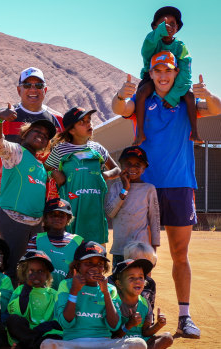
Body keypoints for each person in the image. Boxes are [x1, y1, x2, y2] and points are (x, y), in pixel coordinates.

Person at [112, 50, 221, 338]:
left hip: (180, 185)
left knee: (179, 254)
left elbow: (216, 108)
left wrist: (207, 94)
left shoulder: (187, 104)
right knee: (139, 256)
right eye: (157, 71)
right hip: (145, 187)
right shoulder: (141, 102)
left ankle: (184, 318)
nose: (162, 76)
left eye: (168, 71)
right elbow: (118, 108)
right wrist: (122, 95)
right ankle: (138, 317)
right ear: (150, 73)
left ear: (176, 74)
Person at [0, 67, 63, 237]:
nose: (33, 89)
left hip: (40, 204)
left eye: (38, 85)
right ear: (19, 90)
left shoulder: (58, 121)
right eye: (27, 85)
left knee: (37, 258)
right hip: (1, 203)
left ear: (45, 90)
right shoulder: (3, 116)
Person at [41, 241, 147, 349]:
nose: (94, 268)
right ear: (78, 265)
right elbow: (66, 323)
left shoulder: (110, 289)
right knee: (47, 344)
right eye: (88, 263)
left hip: (103, 343)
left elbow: (114, 326)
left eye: (100, 264)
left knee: (139, 344)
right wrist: (74, 291)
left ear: (104, 268)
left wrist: (105, 293)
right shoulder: (67, 285)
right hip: (74, 342)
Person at [0, 115, 57, 280]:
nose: (41, 136)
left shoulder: (41, 166)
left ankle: (26, 302)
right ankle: (8, 304)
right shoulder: (17, 152)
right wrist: (0, 121)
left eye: (46, 136)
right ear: (25, 133)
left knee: (31, 269)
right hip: (14, 220)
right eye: (37, 131)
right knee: (14, 268)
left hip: (35, 225)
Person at [45, 107, 120, 245]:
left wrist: (106, 175)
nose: (88, 124)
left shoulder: (97, 148)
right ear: (71, 130)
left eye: (89, 120)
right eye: (82, 122)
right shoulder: (61, 150)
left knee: (96, 255)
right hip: (70, 213)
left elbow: (116, 169)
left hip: (95, 213)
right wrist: (55, 174)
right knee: (72, 253)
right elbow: (45, 170)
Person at [133, 6, 199, 146]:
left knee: (190, 96)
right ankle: (140, 132)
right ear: (155, 27)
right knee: (142, 93)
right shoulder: (152, 41)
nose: (168, 26)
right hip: (152, 76)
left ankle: (194, 131)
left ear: (177, 28)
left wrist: (175, 94)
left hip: (175, 78)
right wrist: (159, 32)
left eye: (172, 23)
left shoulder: (180, 47)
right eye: (163, 23)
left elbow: (185, 71)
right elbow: (146, 49)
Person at [105, 146, 160, 266]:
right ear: (122, 166)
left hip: (141, 250)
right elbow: (110, 213)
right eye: (128, 164)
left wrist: (154, 249)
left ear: (144, 168)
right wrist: (125, 189)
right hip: (120, 248)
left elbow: (154, 220)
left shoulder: (149, 189)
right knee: (119, 281)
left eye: (138, 165)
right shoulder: (116, 187)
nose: (133, 168)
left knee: (140, 282)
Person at [111, 259, 173, 349]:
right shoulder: (114, 302)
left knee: (167, 337)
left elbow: (145, 332)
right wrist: (129, 325)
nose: (138, 281)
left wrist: (158, 325)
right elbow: (113, 336)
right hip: (121, 343)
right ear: (119, 284)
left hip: (141, 342)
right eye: (131, 278)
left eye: (141, 277)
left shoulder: (145, 303)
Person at [6, 250, 61, 349]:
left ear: (47, 274)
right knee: (12, 320)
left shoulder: (54, 294)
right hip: (25, 331)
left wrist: (44, 327)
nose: (35, 275)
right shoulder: (20, 290)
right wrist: (27, 288)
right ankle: (34, 343)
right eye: (31, 271)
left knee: (56, 335)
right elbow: (16, 312)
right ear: (24, 272)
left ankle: (25, 345)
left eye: (40, 271)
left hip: (45, 332)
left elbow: (59, 318)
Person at [28, 199, 83, 290]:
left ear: (68, 218)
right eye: (53, 215)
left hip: (68, 292)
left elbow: (81, 270)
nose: (57, 218)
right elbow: (28, 267)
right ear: (45, 218)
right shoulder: (36, 240)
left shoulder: (78, 242)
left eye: (61, 215)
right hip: (40, 291)